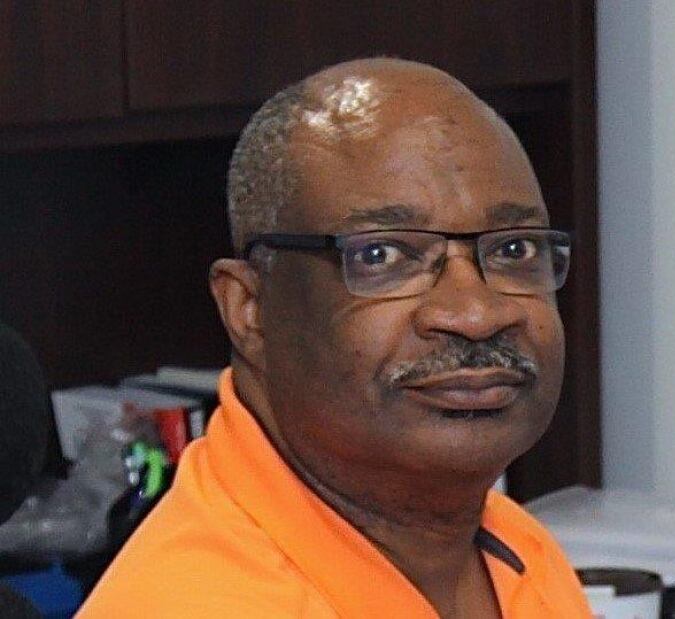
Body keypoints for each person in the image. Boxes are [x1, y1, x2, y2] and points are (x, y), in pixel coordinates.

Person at [78, 58, 590, 618]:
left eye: (514, 250)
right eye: (382, 255)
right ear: (249, 309)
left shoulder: (517, 549)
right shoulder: (203, 603)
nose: (475, 313)